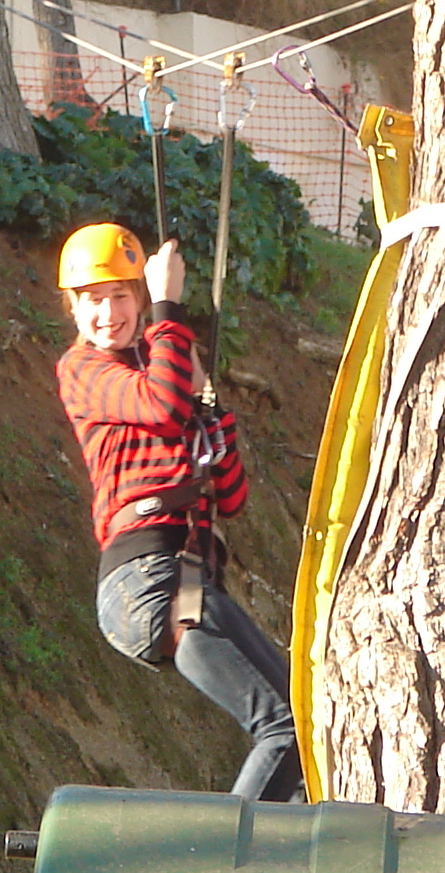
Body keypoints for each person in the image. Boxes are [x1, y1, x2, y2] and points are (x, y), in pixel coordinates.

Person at [55, 223, 304, 802]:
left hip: (181, 575)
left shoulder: (162, 366)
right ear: (74, 310)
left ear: (134, 301)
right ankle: (223, 868)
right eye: (94, 301)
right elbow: (162, 406)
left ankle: (281, 855)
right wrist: (169, 307)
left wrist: (211, 412)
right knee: (284, 728)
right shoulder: (84, 371)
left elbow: (232, 496)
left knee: (301, 732)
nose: (108, 313)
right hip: (148, 578)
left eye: (121, 297)